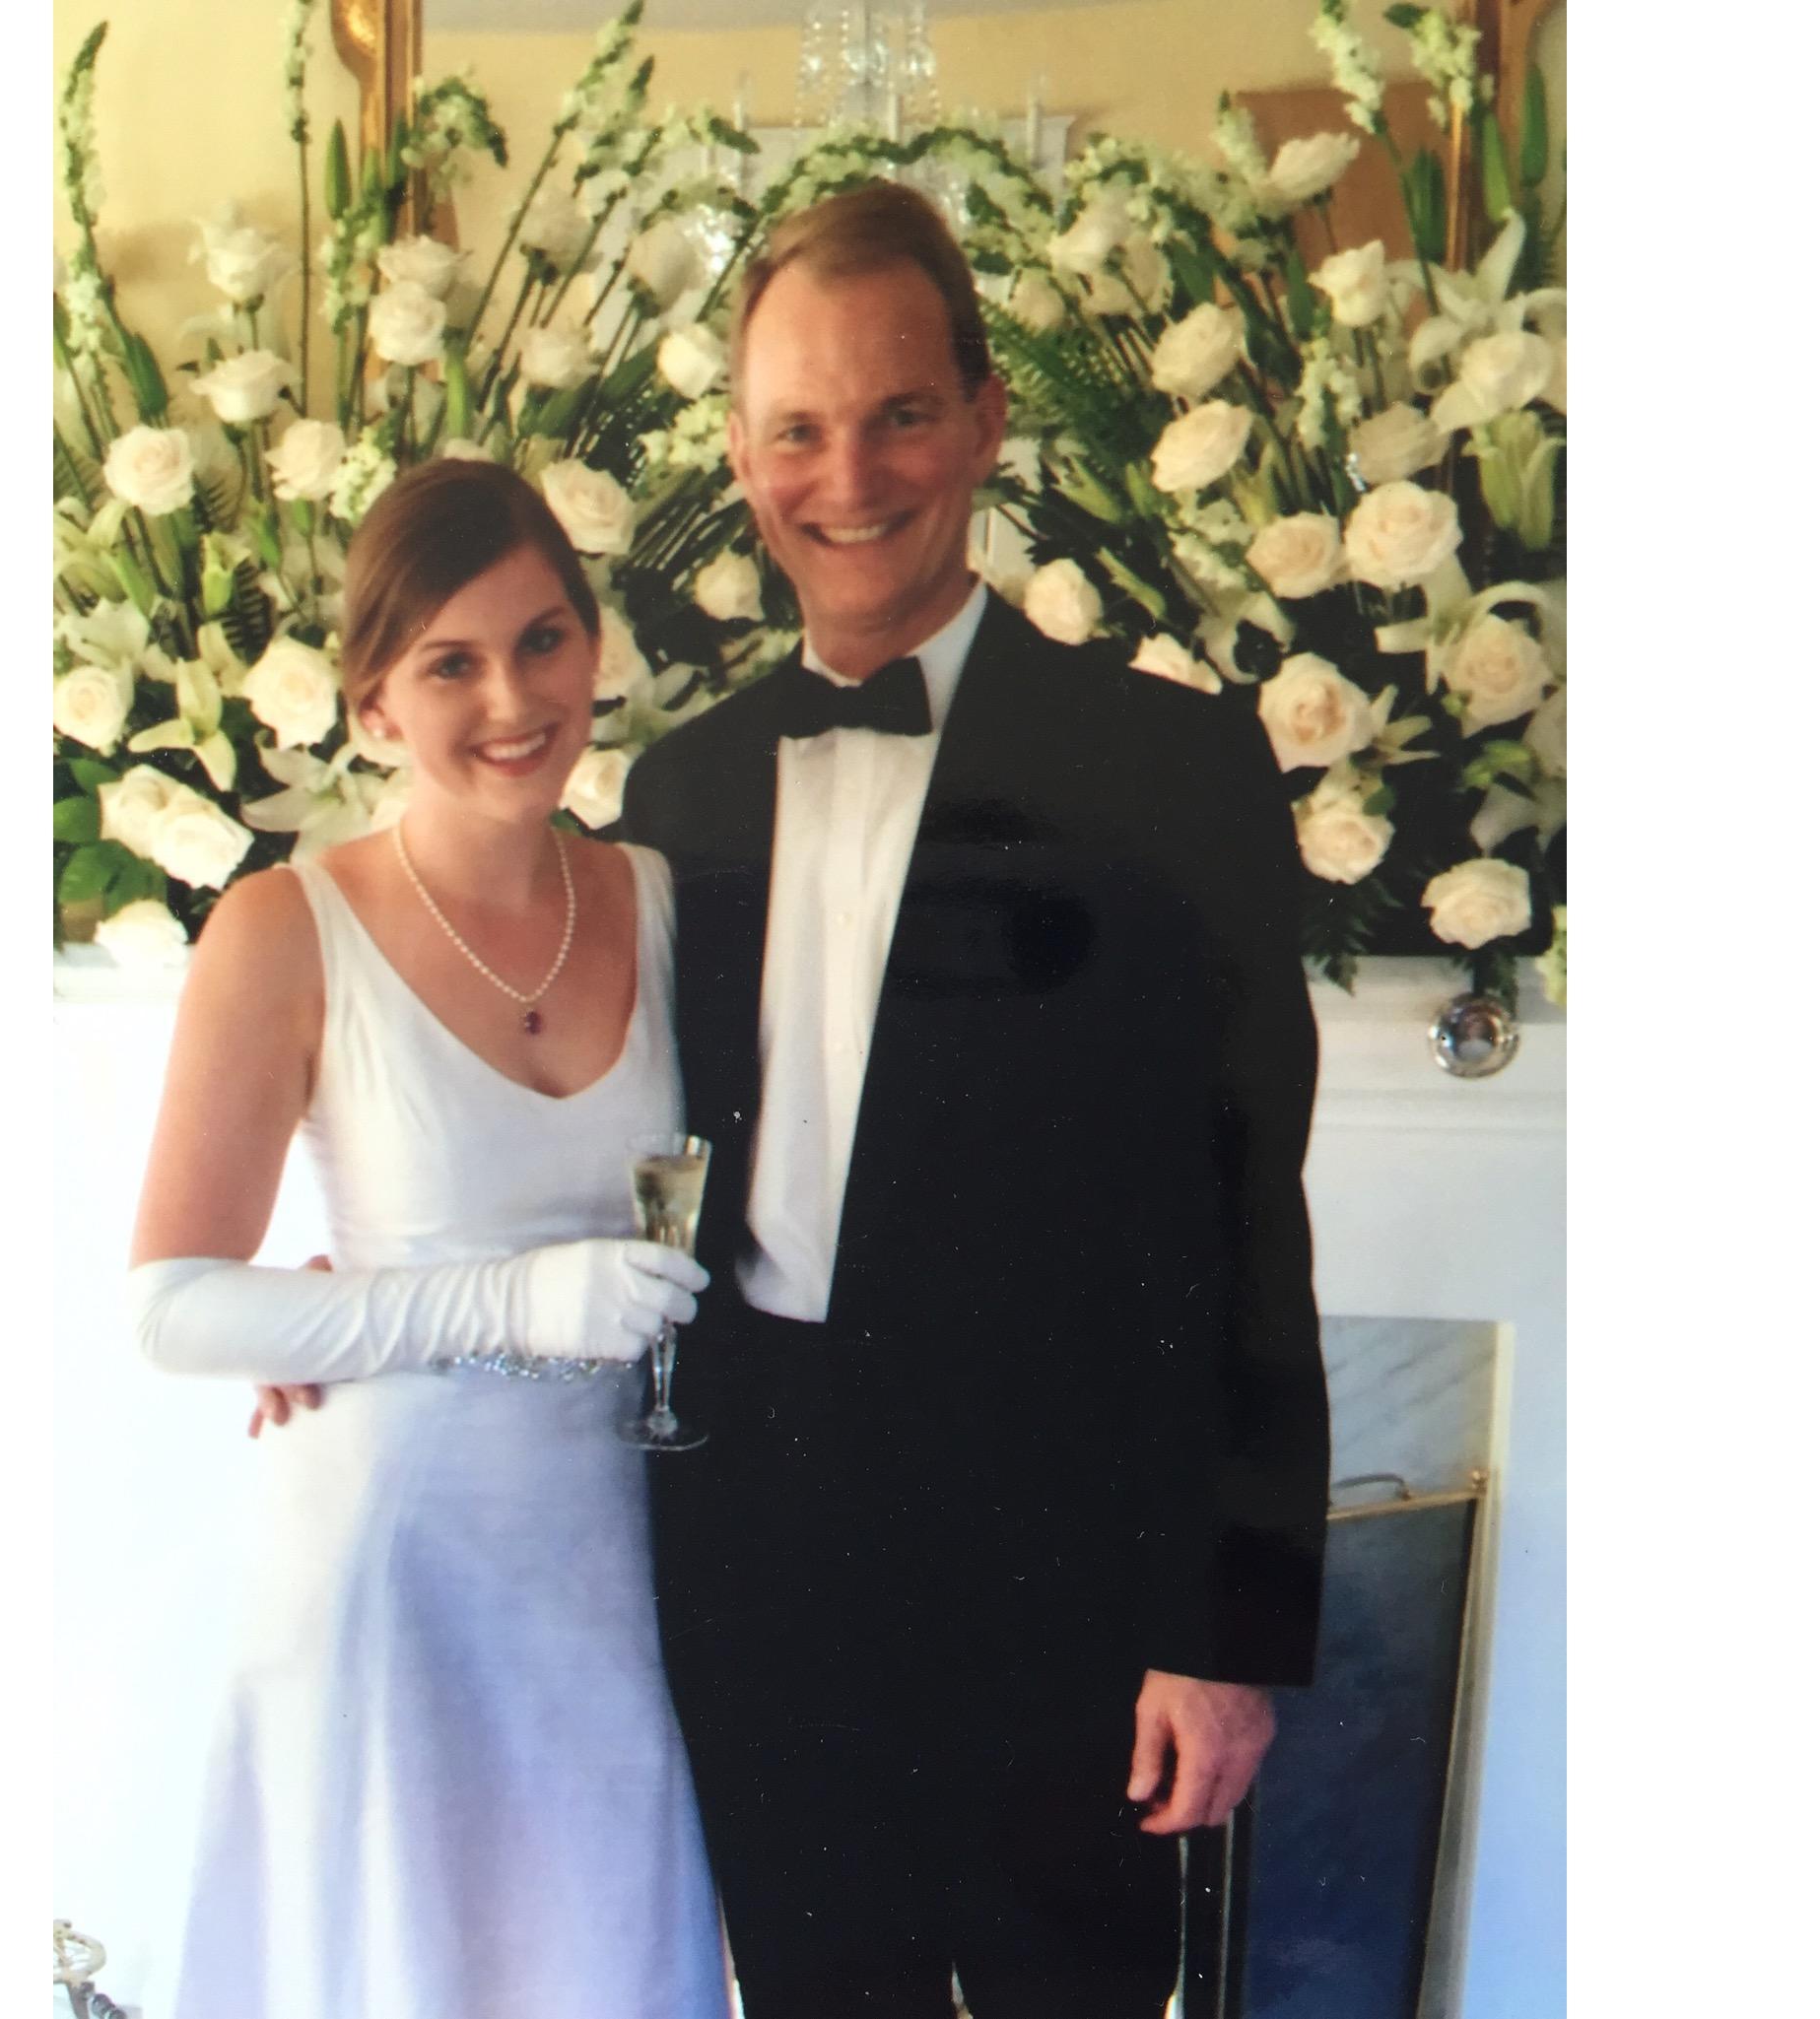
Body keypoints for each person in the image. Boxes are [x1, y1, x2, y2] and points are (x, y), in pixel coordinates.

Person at [616, 182, 1331, 2018]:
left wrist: (1226, 1631)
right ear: (739, 451)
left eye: (898, 414)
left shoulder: (1169, 769)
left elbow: (1251, 1215)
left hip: (1070, 1581)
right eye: (796, 428)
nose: (845, 475)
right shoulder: (676, 796)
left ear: (986, 416)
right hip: (765, 1566)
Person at [124, 459, 730, 2019]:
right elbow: (177, 1306)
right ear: (376, 705)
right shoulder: (282, 925)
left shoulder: (659, 898)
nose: (511, 698)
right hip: (394, 1570)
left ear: (595, 649)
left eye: (540, 641)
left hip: (608, 1565)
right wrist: (501, 1300)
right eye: (447, 663)